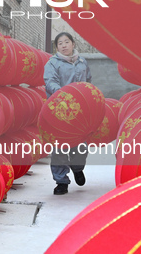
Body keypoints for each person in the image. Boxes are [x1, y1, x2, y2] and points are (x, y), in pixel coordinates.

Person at [43, 32, 92, 195]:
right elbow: (50, 82)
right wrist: (64, 95)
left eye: (66, 42)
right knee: (60, 147)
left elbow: (88, 82)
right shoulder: (52, 63)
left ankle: (78, 168)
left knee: (81, 145)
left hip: (79, 112)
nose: (64, 45)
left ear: (73, 44)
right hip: (59, 110)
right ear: (57, 47)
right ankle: (61, 181)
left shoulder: (82, 62)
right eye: (60, 43)